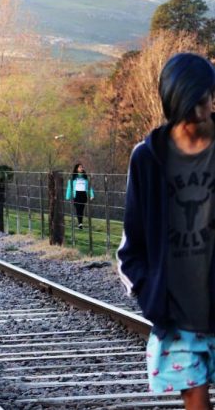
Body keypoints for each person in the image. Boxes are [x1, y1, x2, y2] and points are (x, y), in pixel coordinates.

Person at [117, 52, 215, 409]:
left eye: (206, 96)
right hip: (178, 312)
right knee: (196, 400)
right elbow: (132, 239)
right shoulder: (147, 156)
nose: (203, 106)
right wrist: (150, 294)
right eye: (196, 98)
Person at [65, 163, 95, 229]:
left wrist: (92, 195)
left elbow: (89, 187)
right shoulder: (73, 177)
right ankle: (80, 223)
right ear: (76, 169)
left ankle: (80, 224)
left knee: (81, 209)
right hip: (76, 195)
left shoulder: (85, 177)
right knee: (78, 208)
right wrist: (68, 196)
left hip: (83, 195)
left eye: (82, 167)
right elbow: (69, 187)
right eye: (80, 167)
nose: (81, 168)